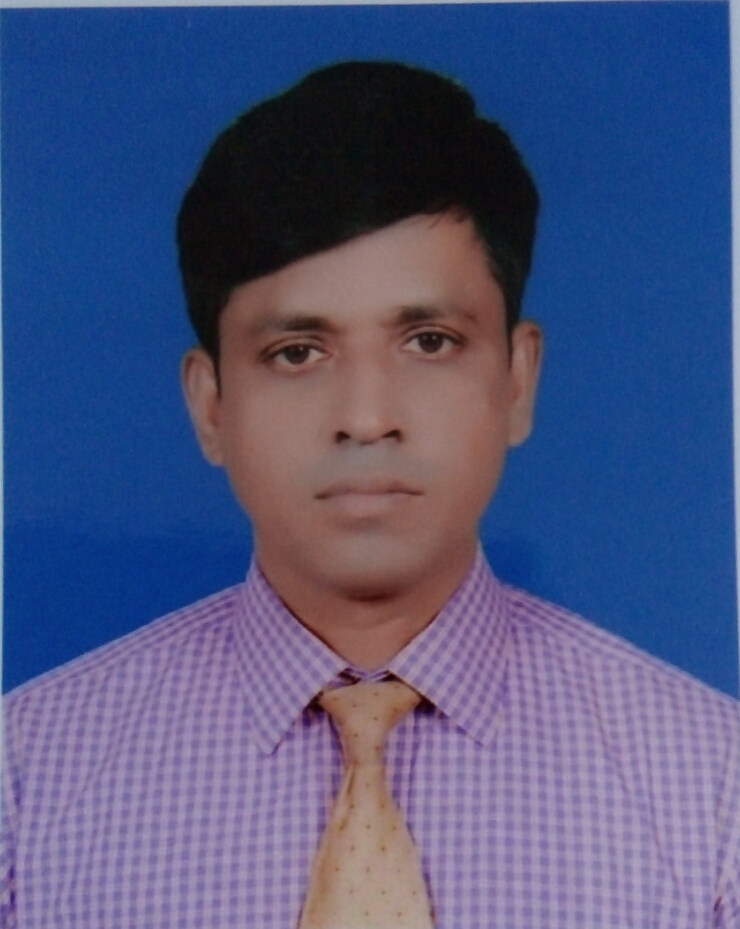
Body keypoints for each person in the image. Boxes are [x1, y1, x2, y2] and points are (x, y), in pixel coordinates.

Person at [1, 60, 738, 929]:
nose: (365, 417)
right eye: (297, 353)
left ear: (518, 378)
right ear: (209, 404)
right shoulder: (25, 781)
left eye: (429, 340)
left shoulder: (711, 790)